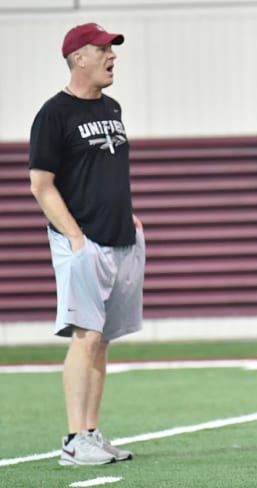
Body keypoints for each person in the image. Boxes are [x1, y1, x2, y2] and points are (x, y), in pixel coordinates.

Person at [28, 22, 145, 466]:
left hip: (119, 238)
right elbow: (41, 185)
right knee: (85, 335)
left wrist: (126, 215)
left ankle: (92, 433)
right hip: (83, 242)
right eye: (103, 49)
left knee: (102, 340)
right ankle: (75, 440)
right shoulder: (53, 114)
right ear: (79, 58)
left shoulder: (113, 108)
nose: (112, 55)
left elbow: (107, 174)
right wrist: (75, 236)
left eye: (112, 48)